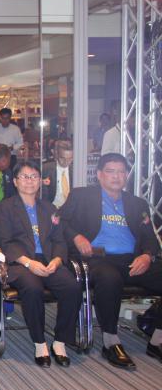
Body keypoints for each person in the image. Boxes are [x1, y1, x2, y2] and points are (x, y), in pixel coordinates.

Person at [58, 153, 162, 369]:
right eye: (110, 171)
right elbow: (58, 221)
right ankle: (111, 342)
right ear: (99, 175)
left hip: (132, 260)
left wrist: (147, 255)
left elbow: (150, 239)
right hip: (97, 258)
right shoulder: (81, 196)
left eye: (121, 172)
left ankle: (157, 340)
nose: (116, 176)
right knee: (109, 278)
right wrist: (76, 237)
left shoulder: (137, 204)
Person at [0, 160, 81, 367]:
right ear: (15, 181)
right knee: (32, 288)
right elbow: (4, 242)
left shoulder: (49, 208)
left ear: (40, 181)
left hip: (48, 261)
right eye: (24, 176)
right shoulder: (5, 208)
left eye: (34, 176)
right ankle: (39, 342)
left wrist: (57, 260)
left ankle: (60, 341)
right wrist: (28, 263)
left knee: (72, 287)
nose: (30, 181)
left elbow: (59, 240)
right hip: (20, 263)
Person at [41, 140, 73, 208]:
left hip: (71, 208)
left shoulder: (75, 171)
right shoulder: (46, 169)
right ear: (57, 155)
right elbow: (44, 196)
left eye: (69, 159)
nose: (66, 162)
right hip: (53, 208)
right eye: (63, 158)